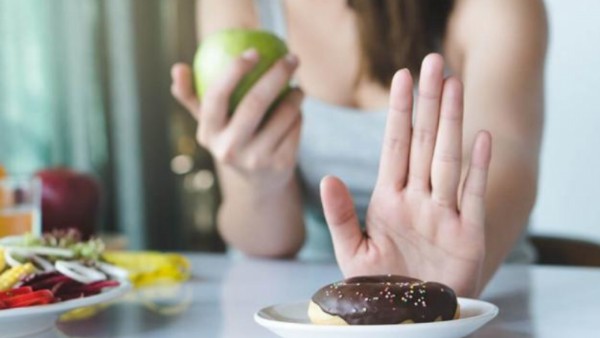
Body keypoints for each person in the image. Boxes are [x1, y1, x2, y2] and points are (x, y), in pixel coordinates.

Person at [171, 0, 547, 297]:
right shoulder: (240, 5)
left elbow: (508, 159)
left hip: (481, 294)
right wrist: (257, 182)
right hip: (305, 304)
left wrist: (441, 282)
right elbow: (271, 245)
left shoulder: (493, 7)